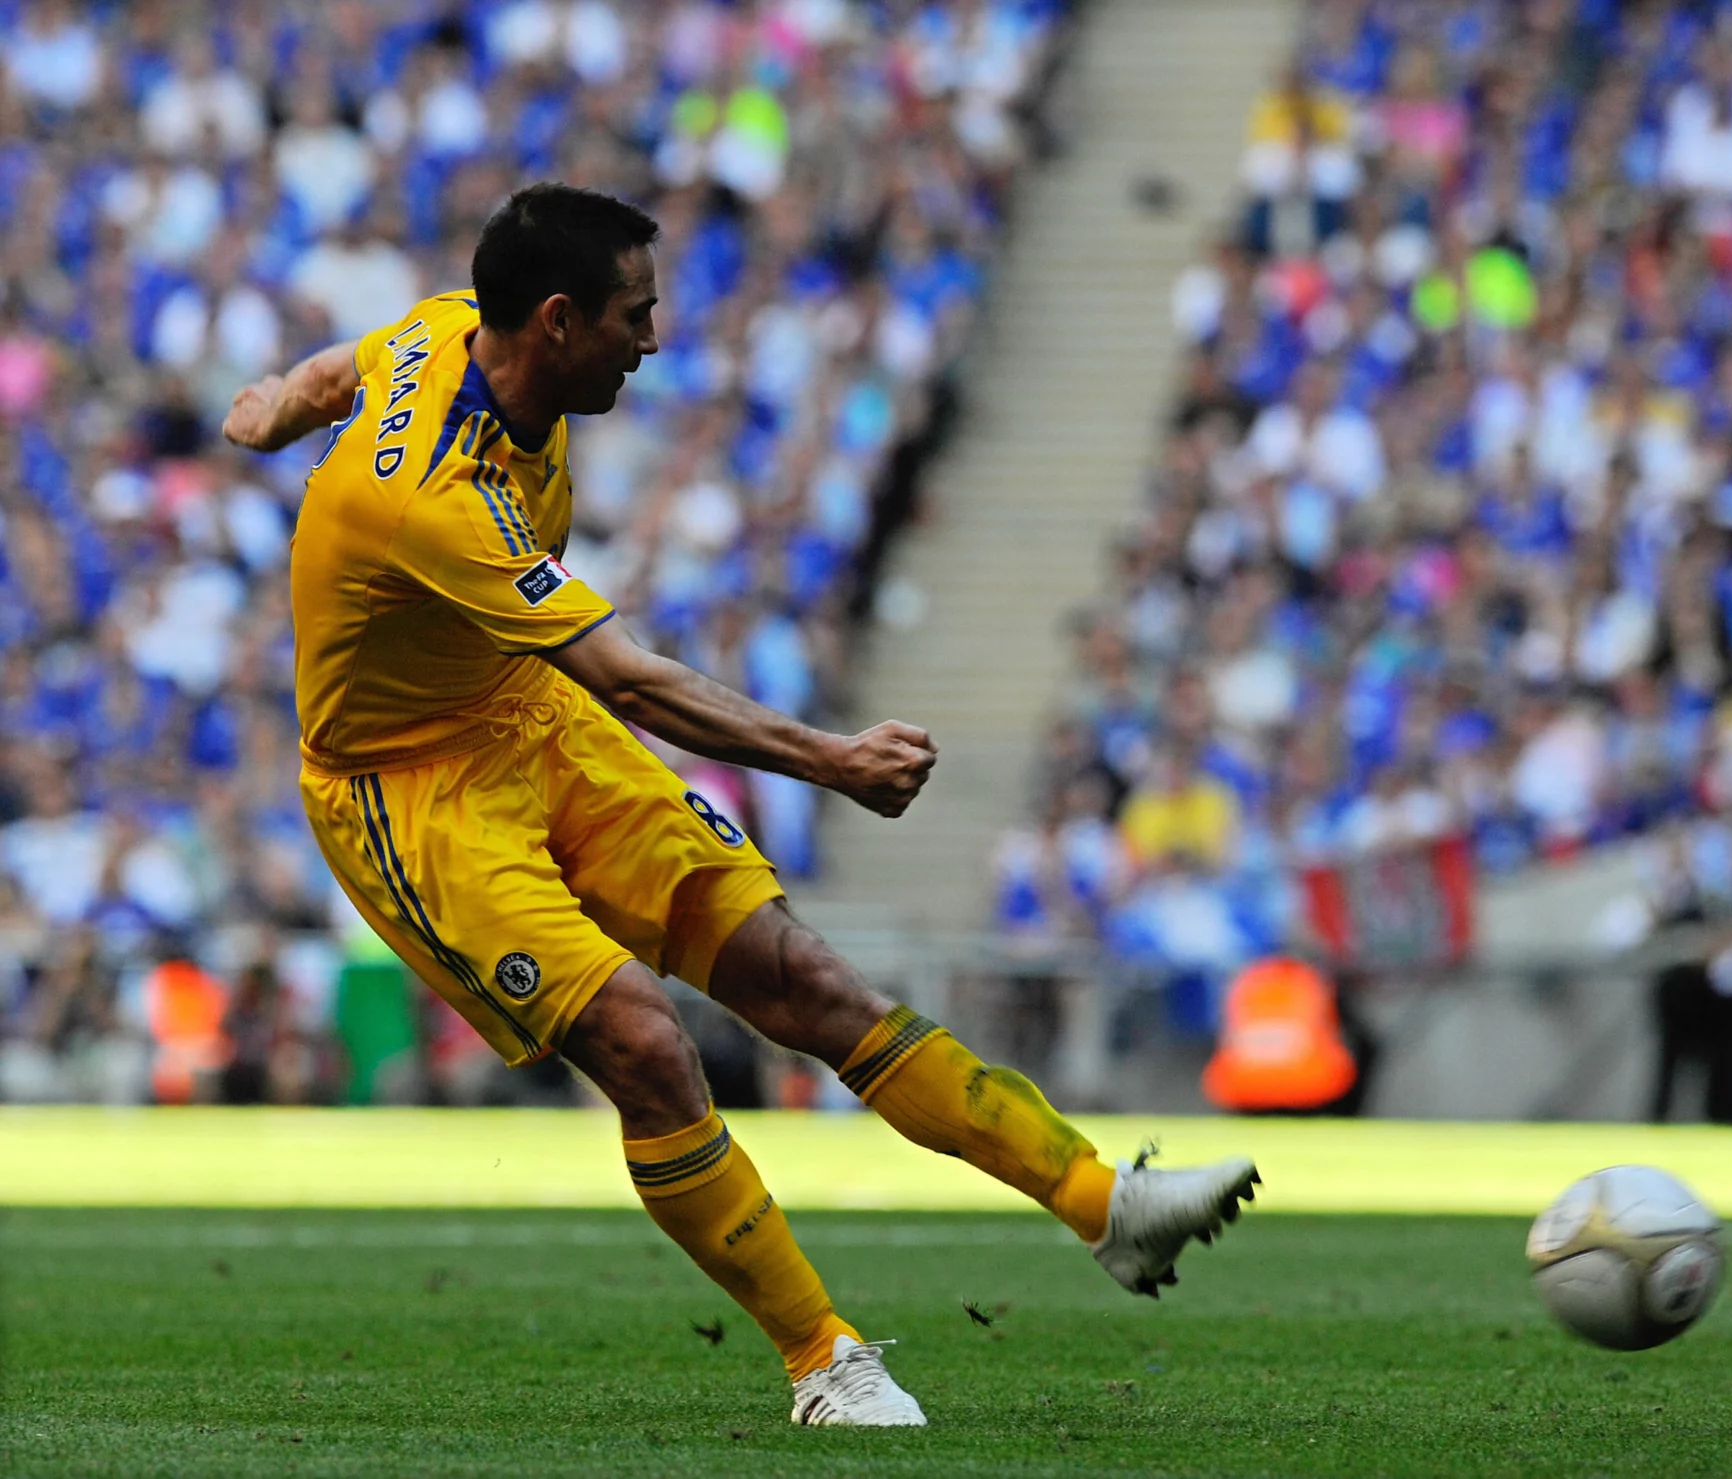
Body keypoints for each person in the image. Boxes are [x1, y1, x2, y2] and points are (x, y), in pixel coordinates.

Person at [221, 183, 1257, 1427]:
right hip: (410, 796)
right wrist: (830, 761)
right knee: (645, 1043)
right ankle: (823, 1361)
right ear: (555, 322)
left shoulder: (453, 327)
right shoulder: (431, 498)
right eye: (634, 315)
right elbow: (630, 682)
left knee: (805, 983)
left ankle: (1109, 1206)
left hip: (526, 726)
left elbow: (356, 364)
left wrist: (281, 403)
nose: (653, 340)